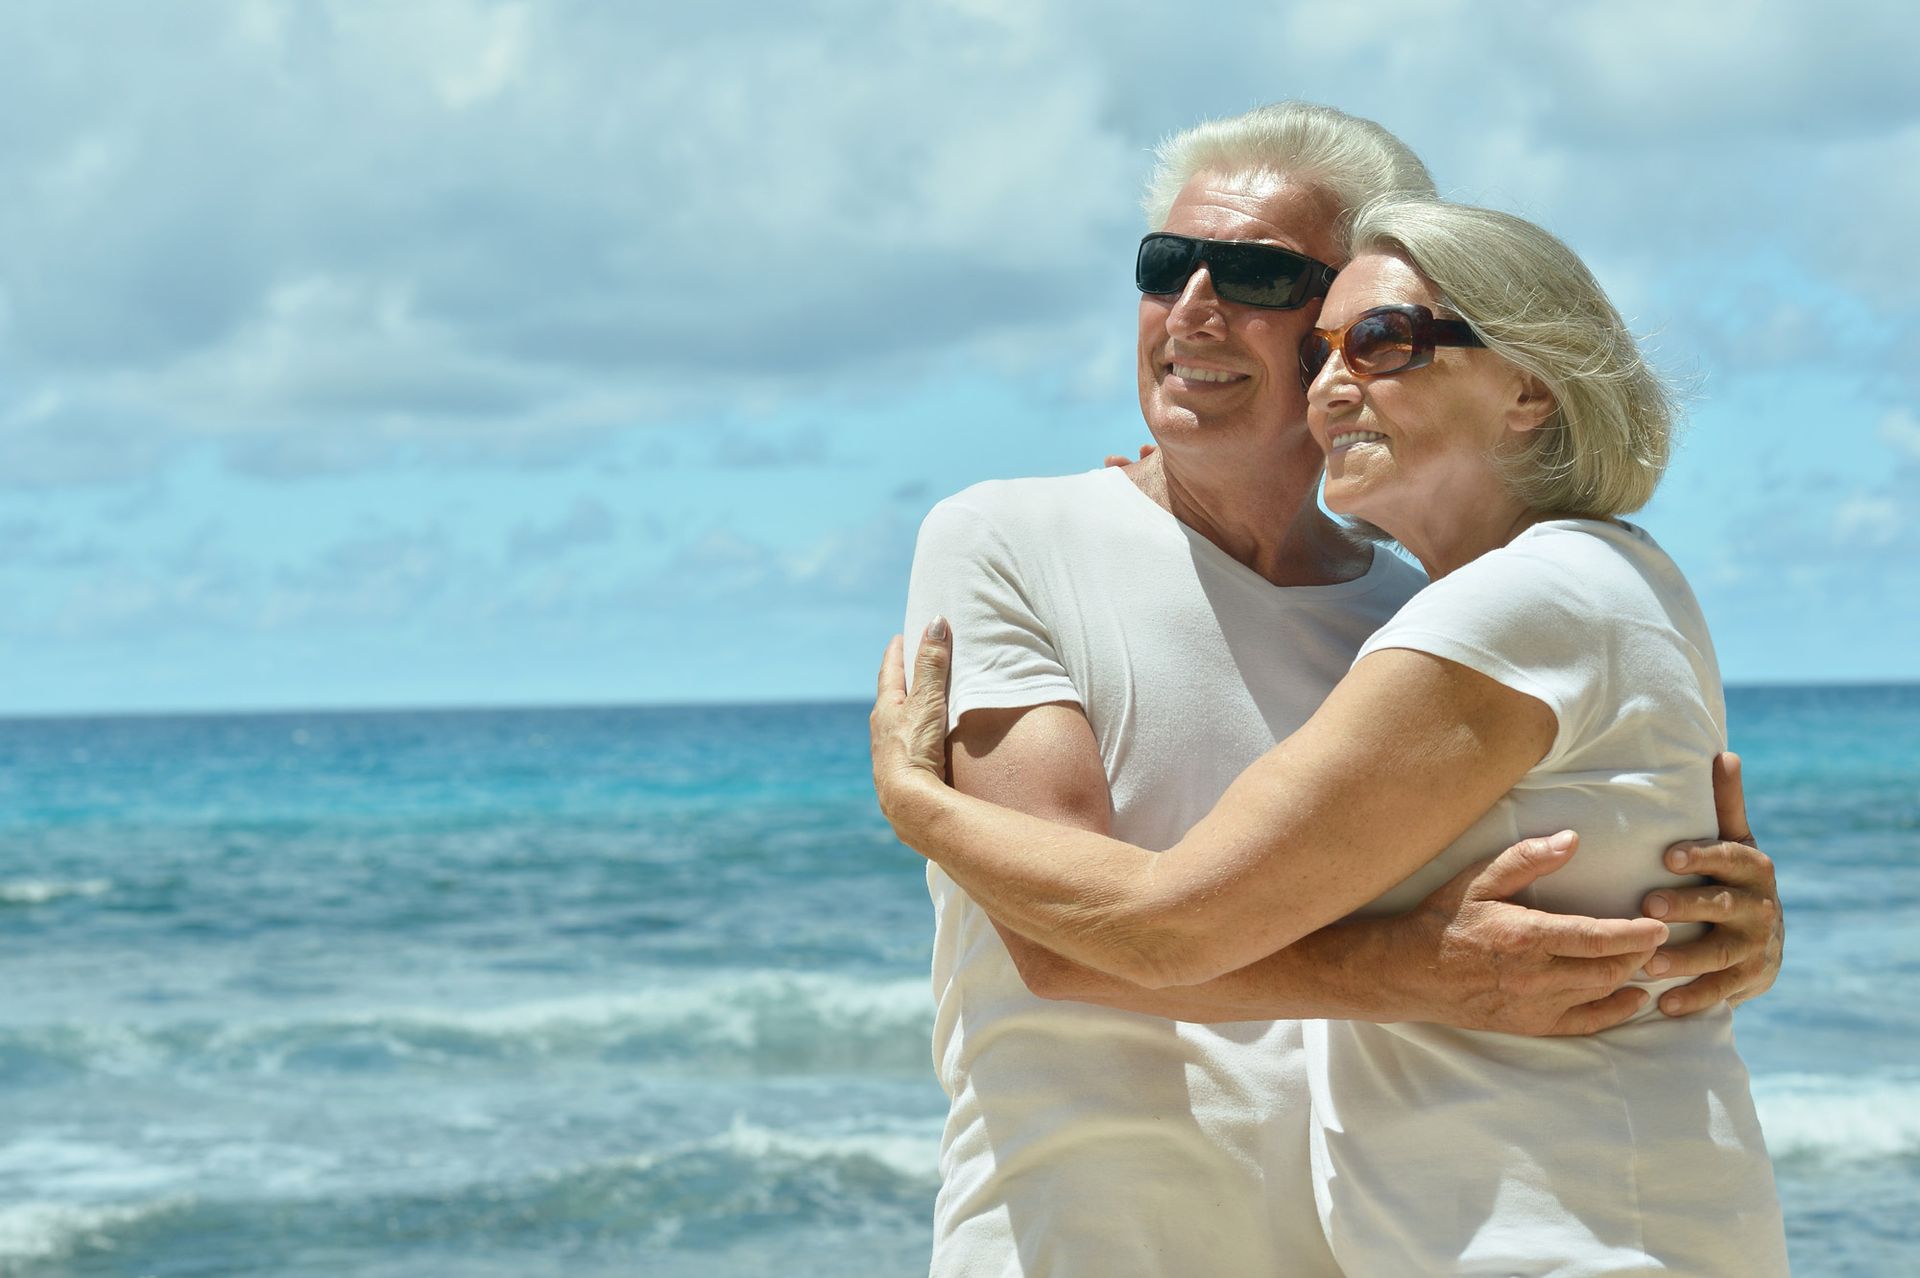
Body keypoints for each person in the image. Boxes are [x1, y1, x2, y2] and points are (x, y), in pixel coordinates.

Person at [894, 102, 1784, 1276]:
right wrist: (1409, 971)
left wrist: (1715, 935)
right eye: (1166, 267)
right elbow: (1064, 946)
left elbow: (1586, 877)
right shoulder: (1012, 536)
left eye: (1262, 277)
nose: (1194, 306)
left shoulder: (1426, 618)